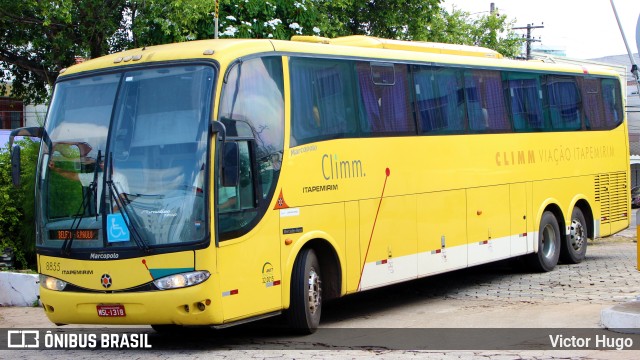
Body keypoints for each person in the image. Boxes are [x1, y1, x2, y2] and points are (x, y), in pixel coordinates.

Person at [48, 158, 129, 213]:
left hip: (116, 217)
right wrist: (55, 169)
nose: (101, 164)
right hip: (100, 218)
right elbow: (74, 176)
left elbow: (122, 199)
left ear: (111, 162)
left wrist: (110, 215)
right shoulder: (96, 176)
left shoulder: (121, 177)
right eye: (100, 162)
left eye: (103, 161)